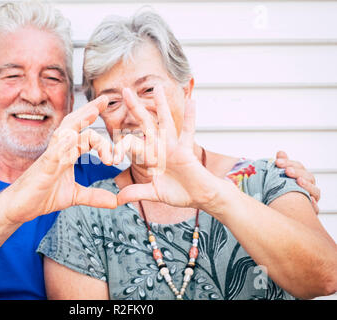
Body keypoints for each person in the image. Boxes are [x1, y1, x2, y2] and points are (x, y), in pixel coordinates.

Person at [0, 1, 321, 300]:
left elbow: (319, 270)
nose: (34, 93)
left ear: (73, 102)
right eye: (12, 74)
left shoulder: (109, 178)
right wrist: (13, 206)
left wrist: (279, 186)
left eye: (53, 77)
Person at [38, 10, 337, 300]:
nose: (135, 113)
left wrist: (212, 194)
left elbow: (326, 277)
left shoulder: (268, 179)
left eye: (148, 90)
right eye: (113, 101)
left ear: (186, 89)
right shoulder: (86, 215)